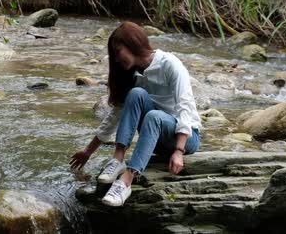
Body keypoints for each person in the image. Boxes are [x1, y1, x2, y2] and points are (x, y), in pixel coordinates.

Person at [70, 21, 202, 207]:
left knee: (154, 116)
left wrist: (179, 151)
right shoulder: (132, 75)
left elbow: (185, 107)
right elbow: (115, 115)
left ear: (133, 44)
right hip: (156, 139)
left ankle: (126, 180)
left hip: (187, 138)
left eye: (118, 52)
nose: (116, 60)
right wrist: (88, 151)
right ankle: (118, 159)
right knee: (136, 94)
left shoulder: (170, 65)